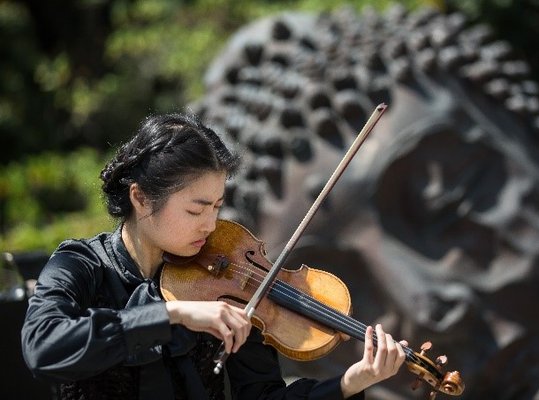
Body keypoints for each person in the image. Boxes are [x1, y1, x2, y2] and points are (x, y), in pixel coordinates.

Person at [21, 113, 405, 400]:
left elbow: (261, 396)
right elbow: (43, 347)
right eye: (195, 210)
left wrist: (349, 383)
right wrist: (172, 314)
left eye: (217, 207)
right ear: (140, 198)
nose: (210, 225)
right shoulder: (80, 264)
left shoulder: (228, 285)